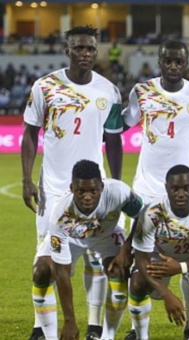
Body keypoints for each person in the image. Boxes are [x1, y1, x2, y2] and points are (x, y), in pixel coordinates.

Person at [21, 25, 124, 340]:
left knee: (96, 260)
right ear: (67, 50)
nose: (85, 53)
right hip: (53, 190)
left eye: (91, 48)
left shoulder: (109, 91)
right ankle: (43, 327)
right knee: (48, 261)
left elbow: (114, 141)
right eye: (79, 48)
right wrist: (26, 179)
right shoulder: (45, 86)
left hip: (95, 191)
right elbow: (29, 134)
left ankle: (94, 325)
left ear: (97, 51)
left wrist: (115, 186)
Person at [122, 39, 189, 340]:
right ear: (159, 61)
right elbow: (125, 122)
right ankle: (137, 331)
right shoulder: (141, 91)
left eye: (179, 61)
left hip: (184, 191)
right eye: (168, 61)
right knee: (138, 262)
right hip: (145, 191)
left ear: (186, 63)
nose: (173, 66)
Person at [32, 160, 143, 340]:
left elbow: (142, 215)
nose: (87, 197)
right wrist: (70, 321)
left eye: (93, 190)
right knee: (41, 271)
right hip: (72, 239)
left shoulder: (118, 192)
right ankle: (50, 336)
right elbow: (62, 273)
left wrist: (126, 247)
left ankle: (107, 336)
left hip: (106, 236)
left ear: (102, 186)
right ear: (71, 188)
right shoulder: (60, 214)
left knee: (119, 272)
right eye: (80, 191)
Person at [128, 165, 189, 340]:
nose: (181, 194)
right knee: (137, 282)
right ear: (166, 188)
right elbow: (141, 257)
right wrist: (166, 294)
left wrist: (181, 267)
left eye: (186, 188)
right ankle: (141, 336)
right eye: (175, 189)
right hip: (160, 256)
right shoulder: (151, 212)